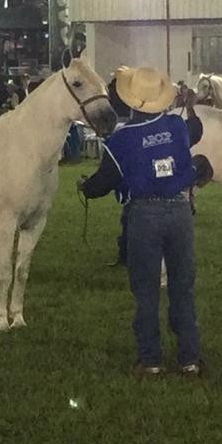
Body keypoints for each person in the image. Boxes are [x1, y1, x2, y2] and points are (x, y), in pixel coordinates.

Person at [78, 66, 210, 377]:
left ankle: (150, 360)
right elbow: (197, 130)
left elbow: (102, 184)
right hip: (180, 213)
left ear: (130, 100)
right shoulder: (177, 126)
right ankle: (190, 358)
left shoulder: (122, 139)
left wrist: (85, 187)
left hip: (144, 216)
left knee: (147, 290)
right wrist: (190, 105)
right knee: (182, 288)